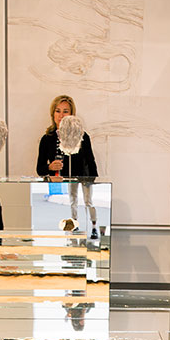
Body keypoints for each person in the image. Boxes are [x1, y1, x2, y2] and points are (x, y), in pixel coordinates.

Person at [35, 95, 100, 238]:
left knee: (88, 201)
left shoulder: (83, 136)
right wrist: (50, 167)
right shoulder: (47, 139)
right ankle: (73, 225)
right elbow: (40, 169)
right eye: (58, 111)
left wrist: (91, 180)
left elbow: (91, 161)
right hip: (62, 181)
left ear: (71, 114)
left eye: (65, 111)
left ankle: (94, 226)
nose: (61, 115)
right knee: (73, 201)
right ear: (53, 114)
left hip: (82, 179)